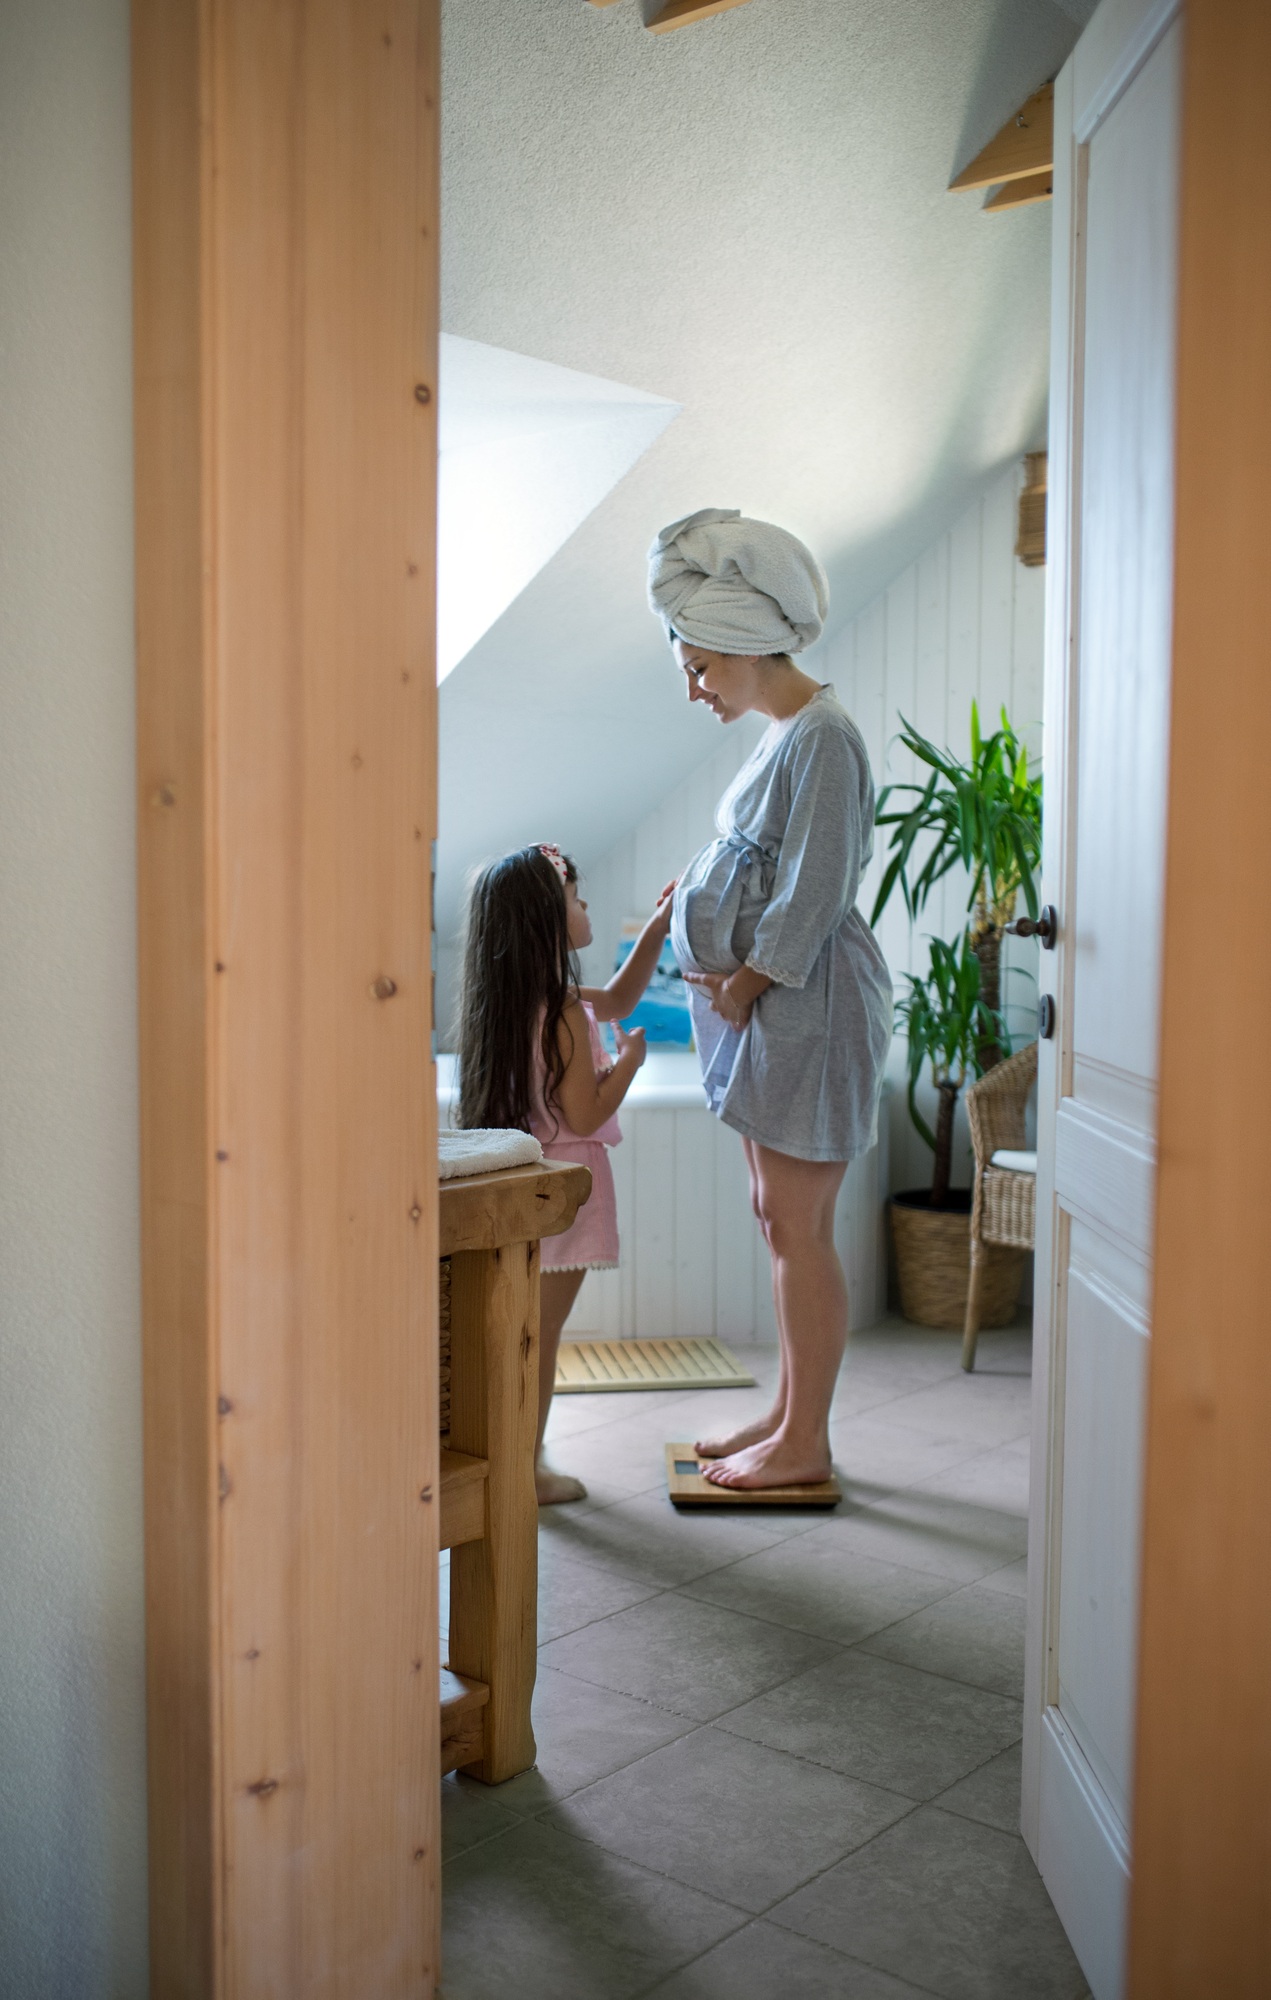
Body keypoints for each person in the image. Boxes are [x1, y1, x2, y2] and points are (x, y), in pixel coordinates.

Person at [647, 507, 892, 1490]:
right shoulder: (785, 729)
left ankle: (806, 1441)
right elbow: (761, 856)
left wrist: (746, 978)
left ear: (751, 643)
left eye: (702, 666)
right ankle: (788, 1409)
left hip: (804, 1003)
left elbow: (818, 880)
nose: (695, 688)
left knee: (798, 1223)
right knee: (773, 1214)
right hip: (770, 1009)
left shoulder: (823, 735)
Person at [455, 843, 675, 1504]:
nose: (585, 909)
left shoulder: (513, 1001)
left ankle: (522, 1449)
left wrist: (659, 928)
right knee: (538, 1342)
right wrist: (630, 1062)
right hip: (566, 1190)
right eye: (577, 900)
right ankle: (525, 1469)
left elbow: (616, 994)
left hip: (523, 1185)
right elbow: (584, 1113)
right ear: (551, 920)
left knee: (518, 1336)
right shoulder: (565, 1015)